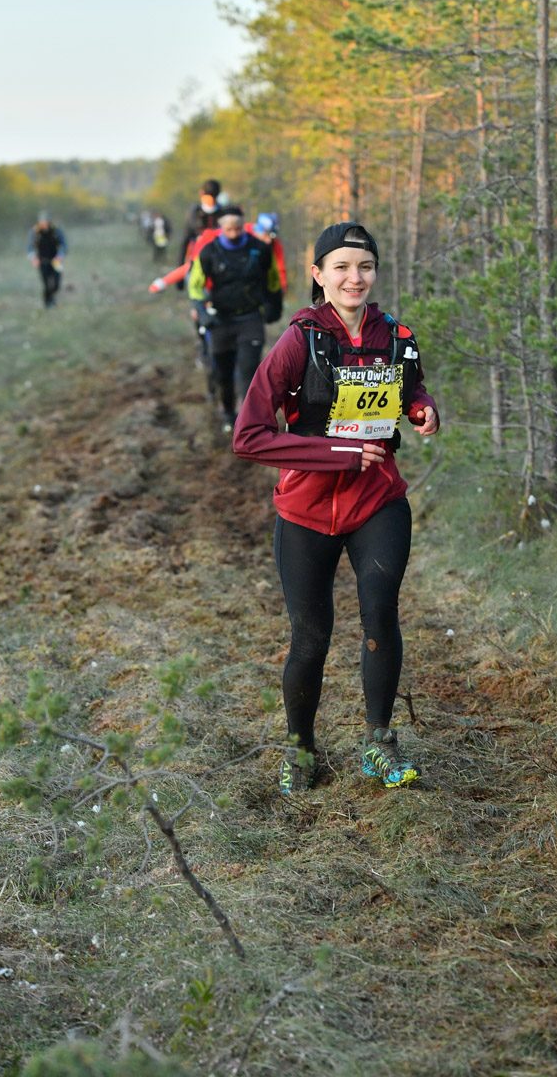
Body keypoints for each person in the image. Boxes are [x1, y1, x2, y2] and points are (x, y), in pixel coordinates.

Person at [233, 221, 439, 795]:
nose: (355, 278)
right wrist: (337, 452)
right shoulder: (298, 340)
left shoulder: (397, 334)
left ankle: (379, 743)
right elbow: (248, 436)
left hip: (378, 501)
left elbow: (410, 388)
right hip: (305, 510)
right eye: (342, 267)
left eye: (366, 267)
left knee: (381, 612)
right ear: (319, 275)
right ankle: (300, 750)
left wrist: (422, 410)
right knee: (311, 634)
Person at [188, 204, 282, 429]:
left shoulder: (260, 249)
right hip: (220, 321)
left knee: (250, 371)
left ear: (243, 226)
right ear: (220, 227)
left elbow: (273, 281)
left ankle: (247, 422)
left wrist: (273, 307)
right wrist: (202, 313)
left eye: (238, 228)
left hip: (250, 319)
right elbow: (195, 286)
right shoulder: (209, 252)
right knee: (223, 375)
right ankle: (228, 415)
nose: (233, 232)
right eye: (228, 228)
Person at [27, 211, 67, 308]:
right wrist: (33, 258)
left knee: (57, 284)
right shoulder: (35, 232)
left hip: (56, 261)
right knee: (46, 284)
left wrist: (60, 255)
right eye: (42, 222)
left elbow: (64, 245)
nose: (44, 224)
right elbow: (29, 247)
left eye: (46, 222)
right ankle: (47, 303)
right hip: (42, 261)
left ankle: (52, 299)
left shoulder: (56, 230)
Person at [246, 212, 288, 295]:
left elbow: (280, 267)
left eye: (271, 237)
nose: (269, 241)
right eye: (266, 236)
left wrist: (283, 286)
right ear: (257, 231)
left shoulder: (275, 244)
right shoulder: (244, 234)